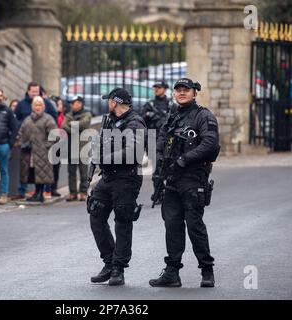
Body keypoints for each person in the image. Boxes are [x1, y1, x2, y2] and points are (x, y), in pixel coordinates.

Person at [149, 78, 220, 288]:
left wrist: (185, 159)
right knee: (172, 226)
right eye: (178, 90)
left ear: (194, 93)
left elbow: (210, 144)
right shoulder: (172, 116)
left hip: (192, 177)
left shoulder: (203, 116)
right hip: (171, 179)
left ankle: (207, 271)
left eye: (185, 90)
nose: (181, 93)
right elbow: (161, 141)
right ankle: (172, 273)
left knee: (195, 226)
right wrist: (161, 159)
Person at [88, 88, 146, 286]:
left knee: (122, 221)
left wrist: (104, 158)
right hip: (109, 177)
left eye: (109, 101)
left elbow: (133, 152)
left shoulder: (135, 122)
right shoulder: (110, 121)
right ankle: (109, 261)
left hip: (127, 179)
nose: (107, 104)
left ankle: (118, 269)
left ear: (115, 102)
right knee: (96, 215)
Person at [13, 82, 58, 199]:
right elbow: (21, 132)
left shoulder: (48, 119)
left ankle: (40, 194)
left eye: (39, 105)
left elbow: (55, 135)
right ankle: (36, 193)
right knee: (33, 173)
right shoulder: (28, 119)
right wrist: (21, 143)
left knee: (42, 174)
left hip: (43, 152)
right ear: (32, 107)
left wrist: (47, 145)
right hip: (30, 152)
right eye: (35, 105)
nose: (37, 107)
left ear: (43, 106)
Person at [141, 81, 177, 203]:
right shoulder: (149, 104)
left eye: (159, 87)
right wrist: (148, 115)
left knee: (168, 167)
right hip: (152, 139)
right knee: (156, 168)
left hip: (167, 140)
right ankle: (159, 192)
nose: (156, 89)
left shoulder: (171, 105)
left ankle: (168, 192)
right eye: (155, 87)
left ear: (165, 89)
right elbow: (141, 121)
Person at [62, 96, 92, 202]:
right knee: (71, 172)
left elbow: (84, 124)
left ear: (80, 103)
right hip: (72, 147)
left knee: (84, 172)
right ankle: (73, 193)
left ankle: (83, 192)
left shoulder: (87, 114)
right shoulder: (69, 114)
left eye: (73, 103)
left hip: (83, 147)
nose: (71, 105)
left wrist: (71, 124)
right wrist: (74, 127)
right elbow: (63, 125)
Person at [50, 95, 65, 197]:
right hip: (51, 143)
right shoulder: (52, 116)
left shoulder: (62, 116)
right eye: (59, 104)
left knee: (56, 166)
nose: (61, 106)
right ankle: (49, 188)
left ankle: (54, 187)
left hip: (59, 144)